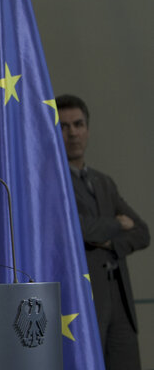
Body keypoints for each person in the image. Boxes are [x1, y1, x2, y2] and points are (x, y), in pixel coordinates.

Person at [57, 94, 149, 370]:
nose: (73, 133)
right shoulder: (54, 181)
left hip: (119, 297)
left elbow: (143, 232)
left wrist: (109, 242)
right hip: (86, 299)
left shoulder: (104, 182)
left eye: (78, 124)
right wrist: (118, 225)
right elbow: (79, 229)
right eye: (64, 126)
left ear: (87, 129)